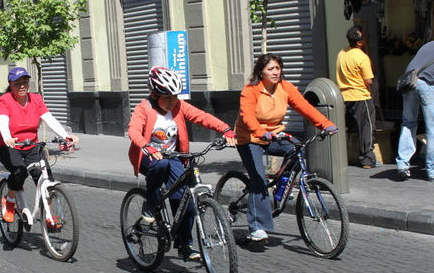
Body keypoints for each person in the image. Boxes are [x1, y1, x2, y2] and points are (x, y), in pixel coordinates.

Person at [128, 67, 237, 261]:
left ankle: (185, 244)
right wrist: (147, 146)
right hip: (148, 156)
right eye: (167, 97)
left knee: (185, 202)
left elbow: (201, 116)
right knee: (160, 166)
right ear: (154, 94)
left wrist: (225, 129)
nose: (172, 101)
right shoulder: (143, 108)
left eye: (175, 97)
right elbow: (134, 131)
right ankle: (150, 206)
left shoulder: (178, 106)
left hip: (173, 157)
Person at [235, 54, 338, 242]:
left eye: (278, 68)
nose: (275, 72)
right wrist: (259, 131)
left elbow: (305, 107)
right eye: (270, 69)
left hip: (274, 134)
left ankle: (280, 188)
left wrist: (325, 124)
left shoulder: (285, 88)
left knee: (296, 150)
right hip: (249, 137)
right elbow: (247, 116)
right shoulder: (250, 91)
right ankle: (256, 227)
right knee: (258, 180)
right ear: (261, 72)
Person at [0, 67, 78, 228]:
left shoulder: (36, 99)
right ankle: (10, 199)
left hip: (31, 145)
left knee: (46, 177)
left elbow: (49, 118)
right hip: (9, 146)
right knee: (19, 171)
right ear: (10, 85)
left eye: (25, 82)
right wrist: (7, 138)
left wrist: (66, 136)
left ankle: (48, 215)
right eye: (17, 83)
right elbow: (3, 121)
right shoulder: (5, 100)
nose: (22, 86)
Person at [335, 25, 377, 168]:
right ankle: (367, 160)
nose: (366, 39)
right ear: (359, 42)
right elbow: (368, 80)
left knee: (346, 129)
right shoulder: (362, 57)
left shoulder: (342, 53)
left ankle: (342, 158)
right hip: (361, 96)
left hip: (344, 97)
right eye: (364, 38)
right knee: (366, 128)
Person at [396, 40, 434, 181]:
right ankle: (432, 170)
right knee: (432, 129)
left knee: (408, 123)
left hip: (410, 81)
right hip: (426, 84)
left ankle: (402, 165)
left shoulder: (428, 45)